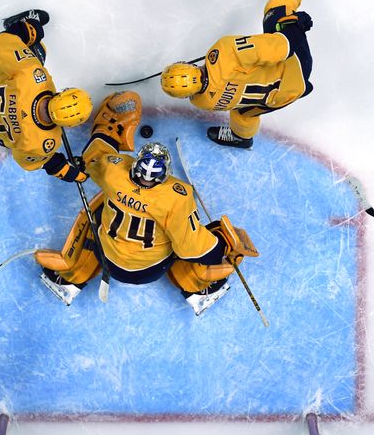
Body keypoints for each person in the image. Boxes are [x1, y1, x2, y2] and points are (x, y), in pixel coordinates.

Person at [33, 91, 259, 315]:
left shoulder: (115, 172)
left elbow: (92, 160)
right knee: (187, 235)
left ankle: (70, 278)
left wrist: (89, 153)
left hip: (109, 262)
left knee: (98, 208)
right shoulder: (176, 196)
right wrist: (221, 246)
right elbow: (192, 247)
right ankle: (198, 288)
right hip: (151, 270)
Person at [160, 0, 314, 149]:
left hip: (286, 95)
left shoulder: (203, 102)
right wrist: (294, 27)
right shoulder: (224, 53)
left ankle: (241, 138)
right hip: (297, 63)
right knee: (274, 15)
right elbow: (274, 48)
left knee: (243, 112)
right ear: (188, 65)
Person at [0, 9, 92, 183]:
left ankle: (21, 24)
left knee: (37, 50)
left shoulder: (33, 76)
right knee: (15, 143)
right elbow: (26, 161)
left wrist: (28, 30)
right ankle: (3, 136)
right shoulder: (43, 144)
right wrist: (66, 171)